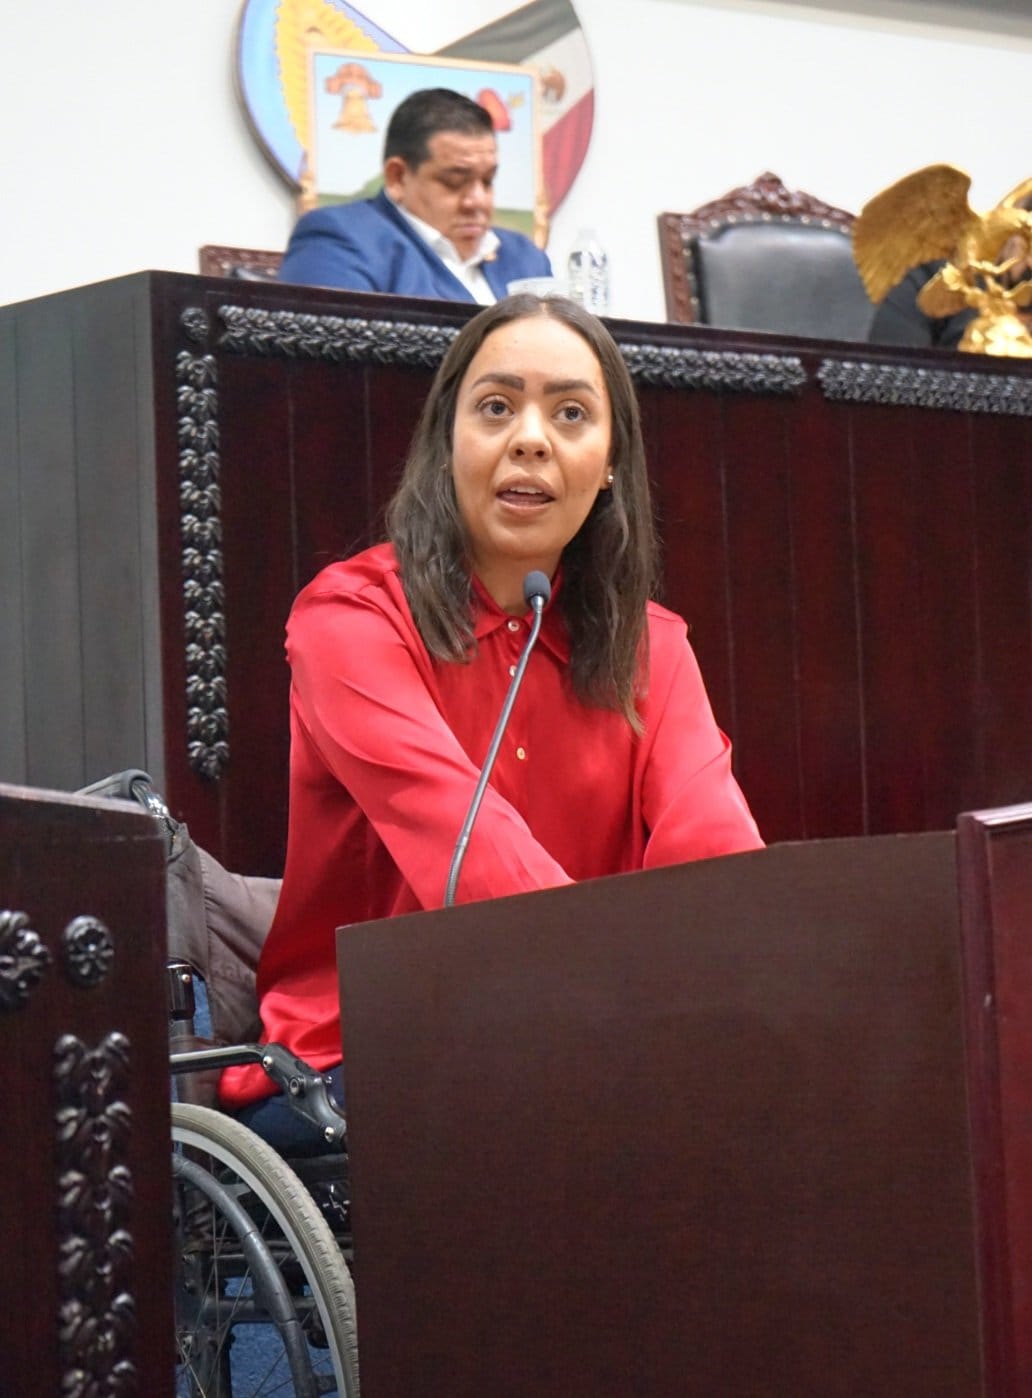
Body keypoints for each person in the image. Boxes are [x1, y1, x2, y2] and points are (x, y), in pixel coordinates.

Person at [218, 293, 764, 1149]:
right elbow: (469, 854)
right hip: (366, 1060)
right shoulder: (352, 621)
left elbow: (720, 872)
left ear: (611, 462)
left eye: (571, 413)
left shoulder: (652, 647)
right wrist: (638, 1011)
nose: (532, 438)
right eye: (497, 407)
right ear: (448, 442)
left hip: (599, 1048)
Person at [278, 87, 552, 302]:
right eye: (455, 181)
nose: (477, 201)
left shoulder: (525, 259)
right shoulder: (341, 240)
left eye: (488, 180)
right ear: (398, 177)